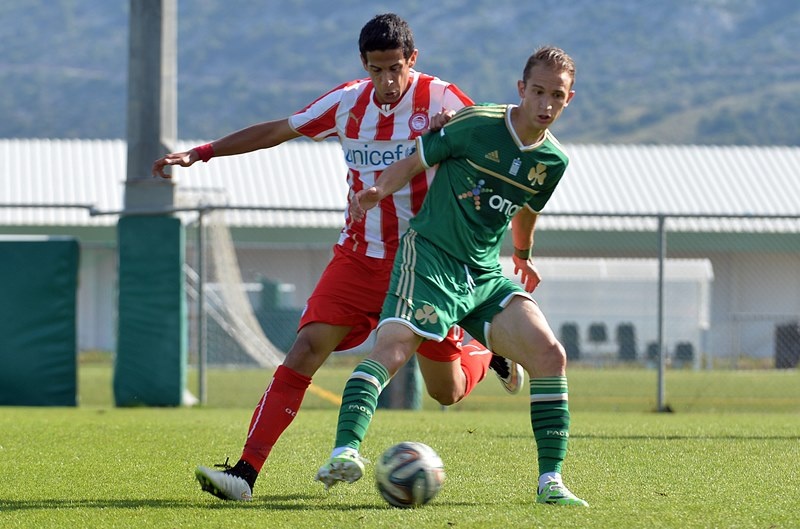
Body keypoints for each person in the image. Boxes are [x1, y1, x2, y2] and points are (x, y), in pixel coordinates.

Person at [151, 13, 522, 502]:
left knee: (446, 391)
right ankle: (244, 473)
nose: (387, 81)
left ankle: (484, 352)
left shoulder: (443, 99)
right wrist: (201, 153)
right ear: (364, 66)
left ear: (413, 60)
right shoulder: (348, 103)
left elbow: (500, 139)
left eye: (395, 68)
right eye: (376, 69)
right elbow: (278, 130)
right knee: (304, 351)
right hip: (358, 258)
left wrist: (457, 128)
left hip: (425, 265)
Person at [315, 45, 588, 507]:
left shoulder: (554, 162)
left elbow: (526, 208)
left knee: (550, 355)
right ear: (521, 89)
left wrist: (522, 253)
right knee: (395, 351)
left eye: (556, 96)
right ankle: (345, 452)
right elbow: (414, 161)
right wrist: (378, 189)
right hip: (430, 259)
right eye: (538, 91)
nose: (545, 104)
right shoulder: (478, 123)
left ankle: (551, 484)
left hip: (484, 273)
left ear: (569, 99)